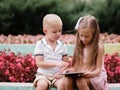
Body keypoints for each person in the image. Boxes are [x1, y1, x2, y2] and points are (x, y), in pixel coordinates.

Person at [64, 15, 109, 90]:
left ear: (94, 34)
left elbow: (98, 70)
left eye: (87, 36)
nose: (83, 39)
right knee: (68, 79)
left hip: (96, 76)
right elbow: (75, 66)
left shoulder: (98, 47)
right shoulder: (78, 46)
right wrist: (69, 71)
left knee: (81, 81)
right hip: (82, 74)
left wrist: (90, 74)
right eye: (81, 35)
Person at [33, 14, 69, 90]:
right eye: (54, 32)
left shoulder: (61, 44)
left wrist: (61, 72)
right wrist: (57, 64)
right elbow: (39, 63)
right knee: (42, 85)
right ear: (45, 31)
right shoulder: (40, 44)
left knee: (63, 84)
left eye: (60, 31)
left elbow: (66, 63)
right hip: (43, 75)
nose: (58, 34)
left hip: (58, 75)